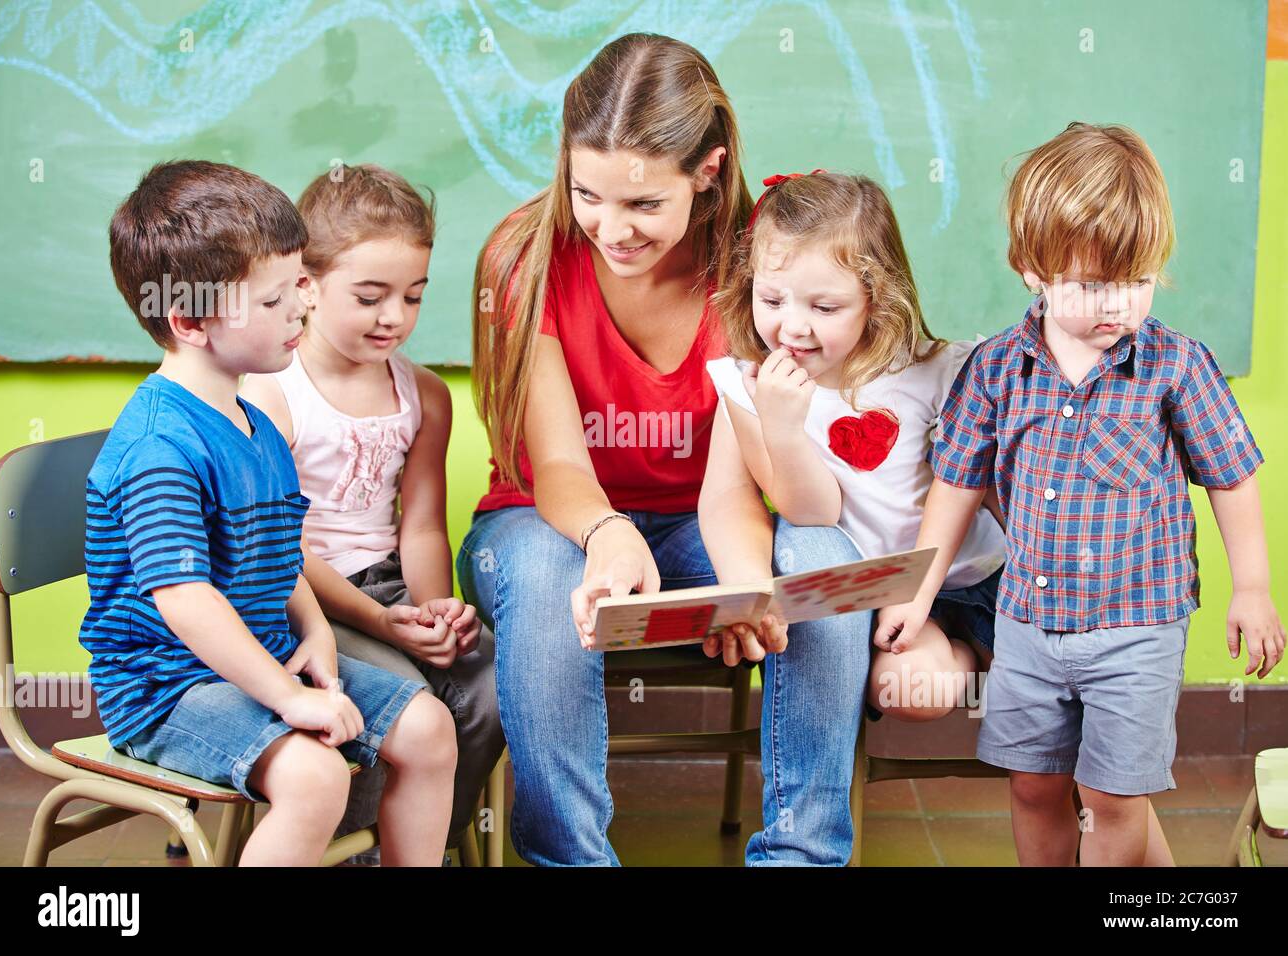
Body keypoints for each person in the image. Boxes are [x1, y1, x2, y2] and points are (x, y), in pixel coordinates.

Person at [457, 33, 871, 865]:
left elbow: (734, 488)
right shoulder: (524, 259)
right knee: (546, 574)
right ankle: (570, 858)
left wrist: (747, 587)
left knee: (822, 554)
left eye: (644, 205)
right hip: (546, 526)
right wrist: (607, 533)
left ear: (708, 171)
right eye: (589, 194)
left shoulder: (760, 267)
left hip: (703, 526)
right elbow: (562, 468)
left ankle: (800, 854)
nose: (612, 228)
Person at [876, 123, 1284, 865]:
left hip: (1137, 629)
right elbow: (957, 486)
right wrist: (916, 589)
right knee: (1035, 787)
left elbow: (1232, 474)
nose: (1118, 305)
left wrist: (1251, 588)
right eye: (1092, 284)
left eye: (1137, 281)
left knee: (1112, 800)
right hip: (1028, 626)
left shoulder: (1176, 367)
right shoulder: (998, 370)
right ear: (1032, 267)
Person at [83, 160, 456, 866]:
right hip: (168, 687)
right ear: (190, 319)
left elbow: (275, 555)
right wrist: (289, 695)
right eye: (278, 298)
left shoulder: (251, 418)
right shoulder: (161, 443)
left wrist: (314, 631)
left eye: (302, 287)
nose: (302, 309)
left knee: (429, 728)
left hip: (257, 659)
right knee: (314, 777)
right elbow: (185, 600)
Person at [242, 163, 503, 860]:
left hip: (384, 586)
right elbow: (279, 551)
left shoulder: (425, 396)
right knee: (406, 701)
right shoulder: (272, 396)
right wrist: (382, 623)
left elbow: (418, 525)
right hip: (294, 600)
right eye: (370, 296)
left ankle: (417, 843)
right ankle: (354, 852)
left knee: (493, 685)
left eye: (413, 297)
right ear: (306, 284)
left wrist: (434, 609)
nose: (395, 317)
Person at [702, 169, 1006, 722]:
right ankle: (977, 664)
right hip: (869, 601)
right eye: (771, 299)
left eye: (825, 308)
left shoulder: (936, 372)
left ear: (877, 296)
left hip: (974, 575)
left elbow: (983, 483)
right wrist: (783, 428)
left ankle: (995, 655)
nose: (793, 327)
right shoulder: (749, 389)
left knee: (1058, 675)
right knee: (913, 692)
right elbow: (813, 512)